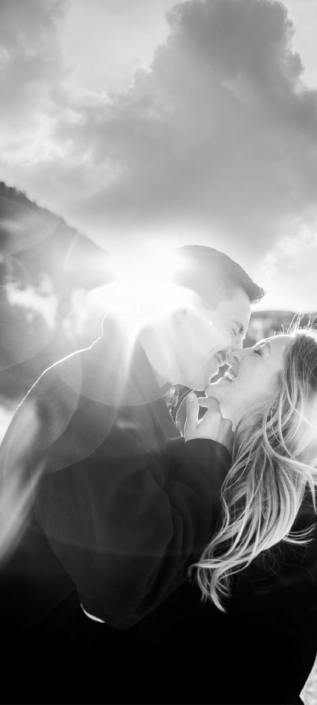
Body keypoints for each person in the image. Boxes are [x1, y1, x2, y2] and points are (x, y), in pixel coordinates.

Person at [0, 245, 264, 699]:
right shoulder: (97, 393)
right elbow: (125, 588)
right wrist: (203, 459)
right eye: (233, 329)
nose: (235, 351)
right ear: (181, 312)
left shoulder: (137, 396)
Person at [131, 324, 317, 705]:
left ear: (287, 397)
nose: (236, 353)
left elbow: (268, 679)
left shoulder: (306, 516)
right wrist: (196, 458)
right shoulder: (184, 457)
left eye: (257, 353)